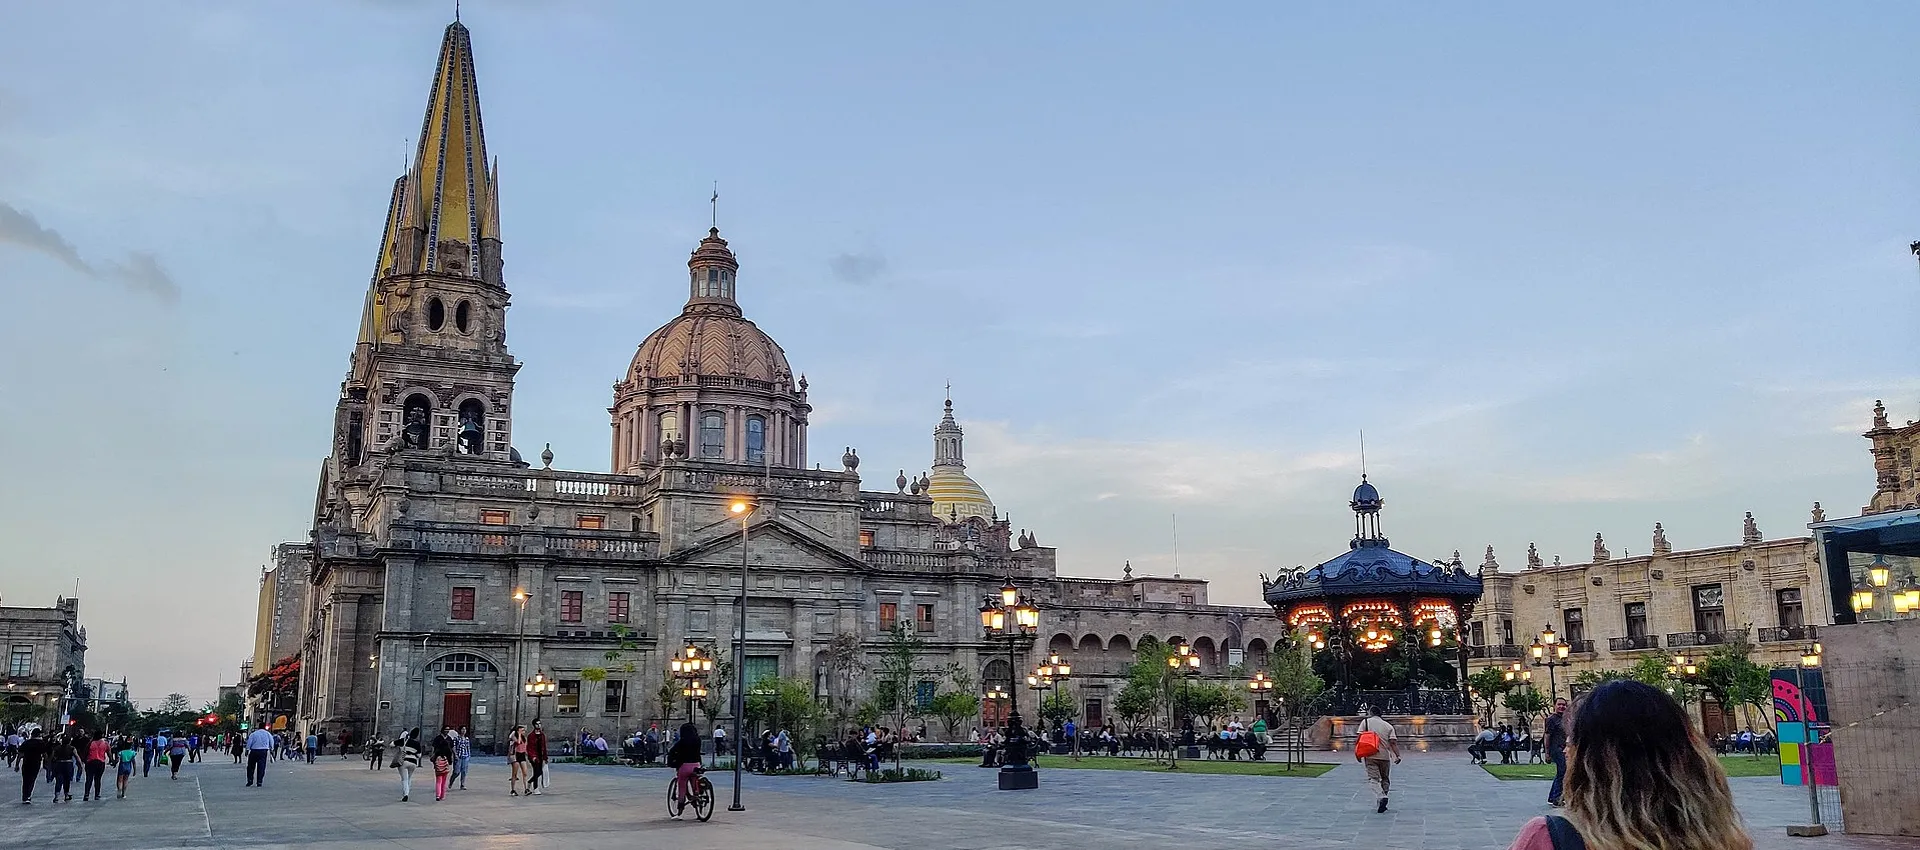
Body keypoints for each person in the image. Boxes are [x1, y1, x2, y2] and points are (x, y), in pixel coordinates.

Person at [1505, 680, 1753, 850]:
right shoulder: (1721, 839)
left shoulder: (1551, 838)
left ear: (1589, 760)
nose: (1565, 749)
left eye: (1571, 741)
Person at [1355, 705, 1401, 814]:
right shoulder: (1388, 726)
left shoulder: (1366, 722)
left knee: (1373, 779)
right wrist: (1397, 756)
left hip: (1370, 754)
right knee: (1385, 778)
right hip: (1384, 756)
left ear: (1371, 712)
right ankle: (1384, 796)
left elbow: (1359, 739)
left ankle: (1381, 796)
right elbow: (1393, 743)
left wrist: (1358, 753)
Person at [666, 722, 702, 813]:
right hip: (696, 765)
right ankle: (697, 798)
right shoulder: (698, 740)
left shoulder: (682, 742)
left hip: (685, 766)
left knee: (682, 786)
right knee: (695, 784)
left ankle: (680, 810)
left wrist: (671, 762)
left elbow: (672, 752)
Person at [1544, 697, 1570, 806]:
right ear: (1554, 706)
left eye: (1563, 705)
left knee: (1561, 772)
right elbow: (1547, 735)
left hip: (1563, 748)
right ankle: (1557, 798)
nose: (1561, 707)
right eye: (1559, 704)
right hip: (1556, 748)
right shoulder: (1552, 719)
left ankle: (1552, 796)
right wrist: (1547, 752)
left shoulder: (1564, 718)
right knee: (1563, 772)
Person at [393, 727, 423, 802]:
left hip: (403, 761)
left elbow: (392, 744)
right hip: (413, 762)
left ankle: (405, 794)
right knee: (409, 778)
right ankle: (407, 793)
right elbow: (419, 756)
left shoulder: (403, 740)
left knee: (404, 779)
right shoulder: (417, 744)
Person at [18, 729, 48, 804]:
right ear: (39, 735)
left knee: (25, 780)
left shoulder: (26, 742)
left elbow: (20, 754)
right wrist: (46, 763)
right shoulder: (41, 743)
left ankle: (24, 796)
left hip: (26, 763)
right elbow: (45, 754)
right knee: (32, 779)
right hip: (36, 763)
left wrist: (17, 764)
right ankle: (28, 795)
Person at [49, 733, 77, 802]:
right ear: (69, 741)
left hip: (59, 764)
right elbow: (77, 756)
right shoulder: (72, 748)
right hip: (68, 764)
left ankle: (56, 796)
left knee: (59, 780)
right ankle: (66, 795)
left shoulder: (57, 748)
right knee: (67, 780)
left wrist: (49, 764)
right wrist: (81, 765)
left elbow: (52, 757)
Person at [430, 728, 455, 801]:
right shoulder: (448, 751)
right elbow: (450, 759)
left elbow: (433, 758)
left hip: (438, 766)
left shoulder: (437, 751)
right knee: (444, 782)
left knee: (438, 781)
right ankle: (442, 796)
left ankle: (437, 795)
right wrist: (450, 763)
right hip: (445, 766)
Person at [83, 732, 108, 802]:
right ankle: (97, 794)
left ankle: (86, 794)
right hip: (100, 763)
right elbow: (109, 753)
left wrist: (85, 761)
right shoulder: (105, 743)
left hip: (90, 762)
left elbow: (85, 752)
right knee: (98, 779)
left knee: (89, 779)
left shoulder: (90, 743)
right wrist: (112, 760)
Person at [527, 720, 549, 795]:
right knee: (536, 771)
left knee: (540, 772)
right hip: (534, 756)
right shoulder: (531, 736)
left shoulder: (542, 735)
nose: (539, 725)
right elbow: (530, 747)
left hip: (541, 756)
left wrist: (545, 758)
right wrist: (533, 756)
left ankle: (530, 782)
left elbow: (544, 747)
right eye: (537, 724)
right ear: (534, 725)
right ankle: (535, 788)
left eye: (540, 724)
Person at [507, 724, 529, 795]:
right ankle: (513, 789)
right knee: (514, 774)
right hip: (515, 755)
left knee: (525, 772)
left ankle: (526, 789)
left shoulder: (524, 738)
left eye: (523, 730)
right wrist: (519, 734)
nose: (523, 732)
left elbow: (525, 746)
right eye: (522, 730)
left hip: (522, 755)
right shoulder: (514, 737)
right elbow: (518, 742)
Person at [452, 726, 471, 790]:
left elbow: (468, 747)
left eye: (465, 729)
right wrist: (455, 755)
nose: (464, 731)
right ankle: (451, 781)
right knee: (456, 772)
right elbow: (453, 747)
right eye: (462, 729)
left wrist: (469, 755)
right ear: (460, 730)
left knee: (464, 771)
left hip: (465, 756)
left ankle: (462, 784)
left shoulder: (467, 739)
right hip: (458, 757)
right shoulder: (456, 738)